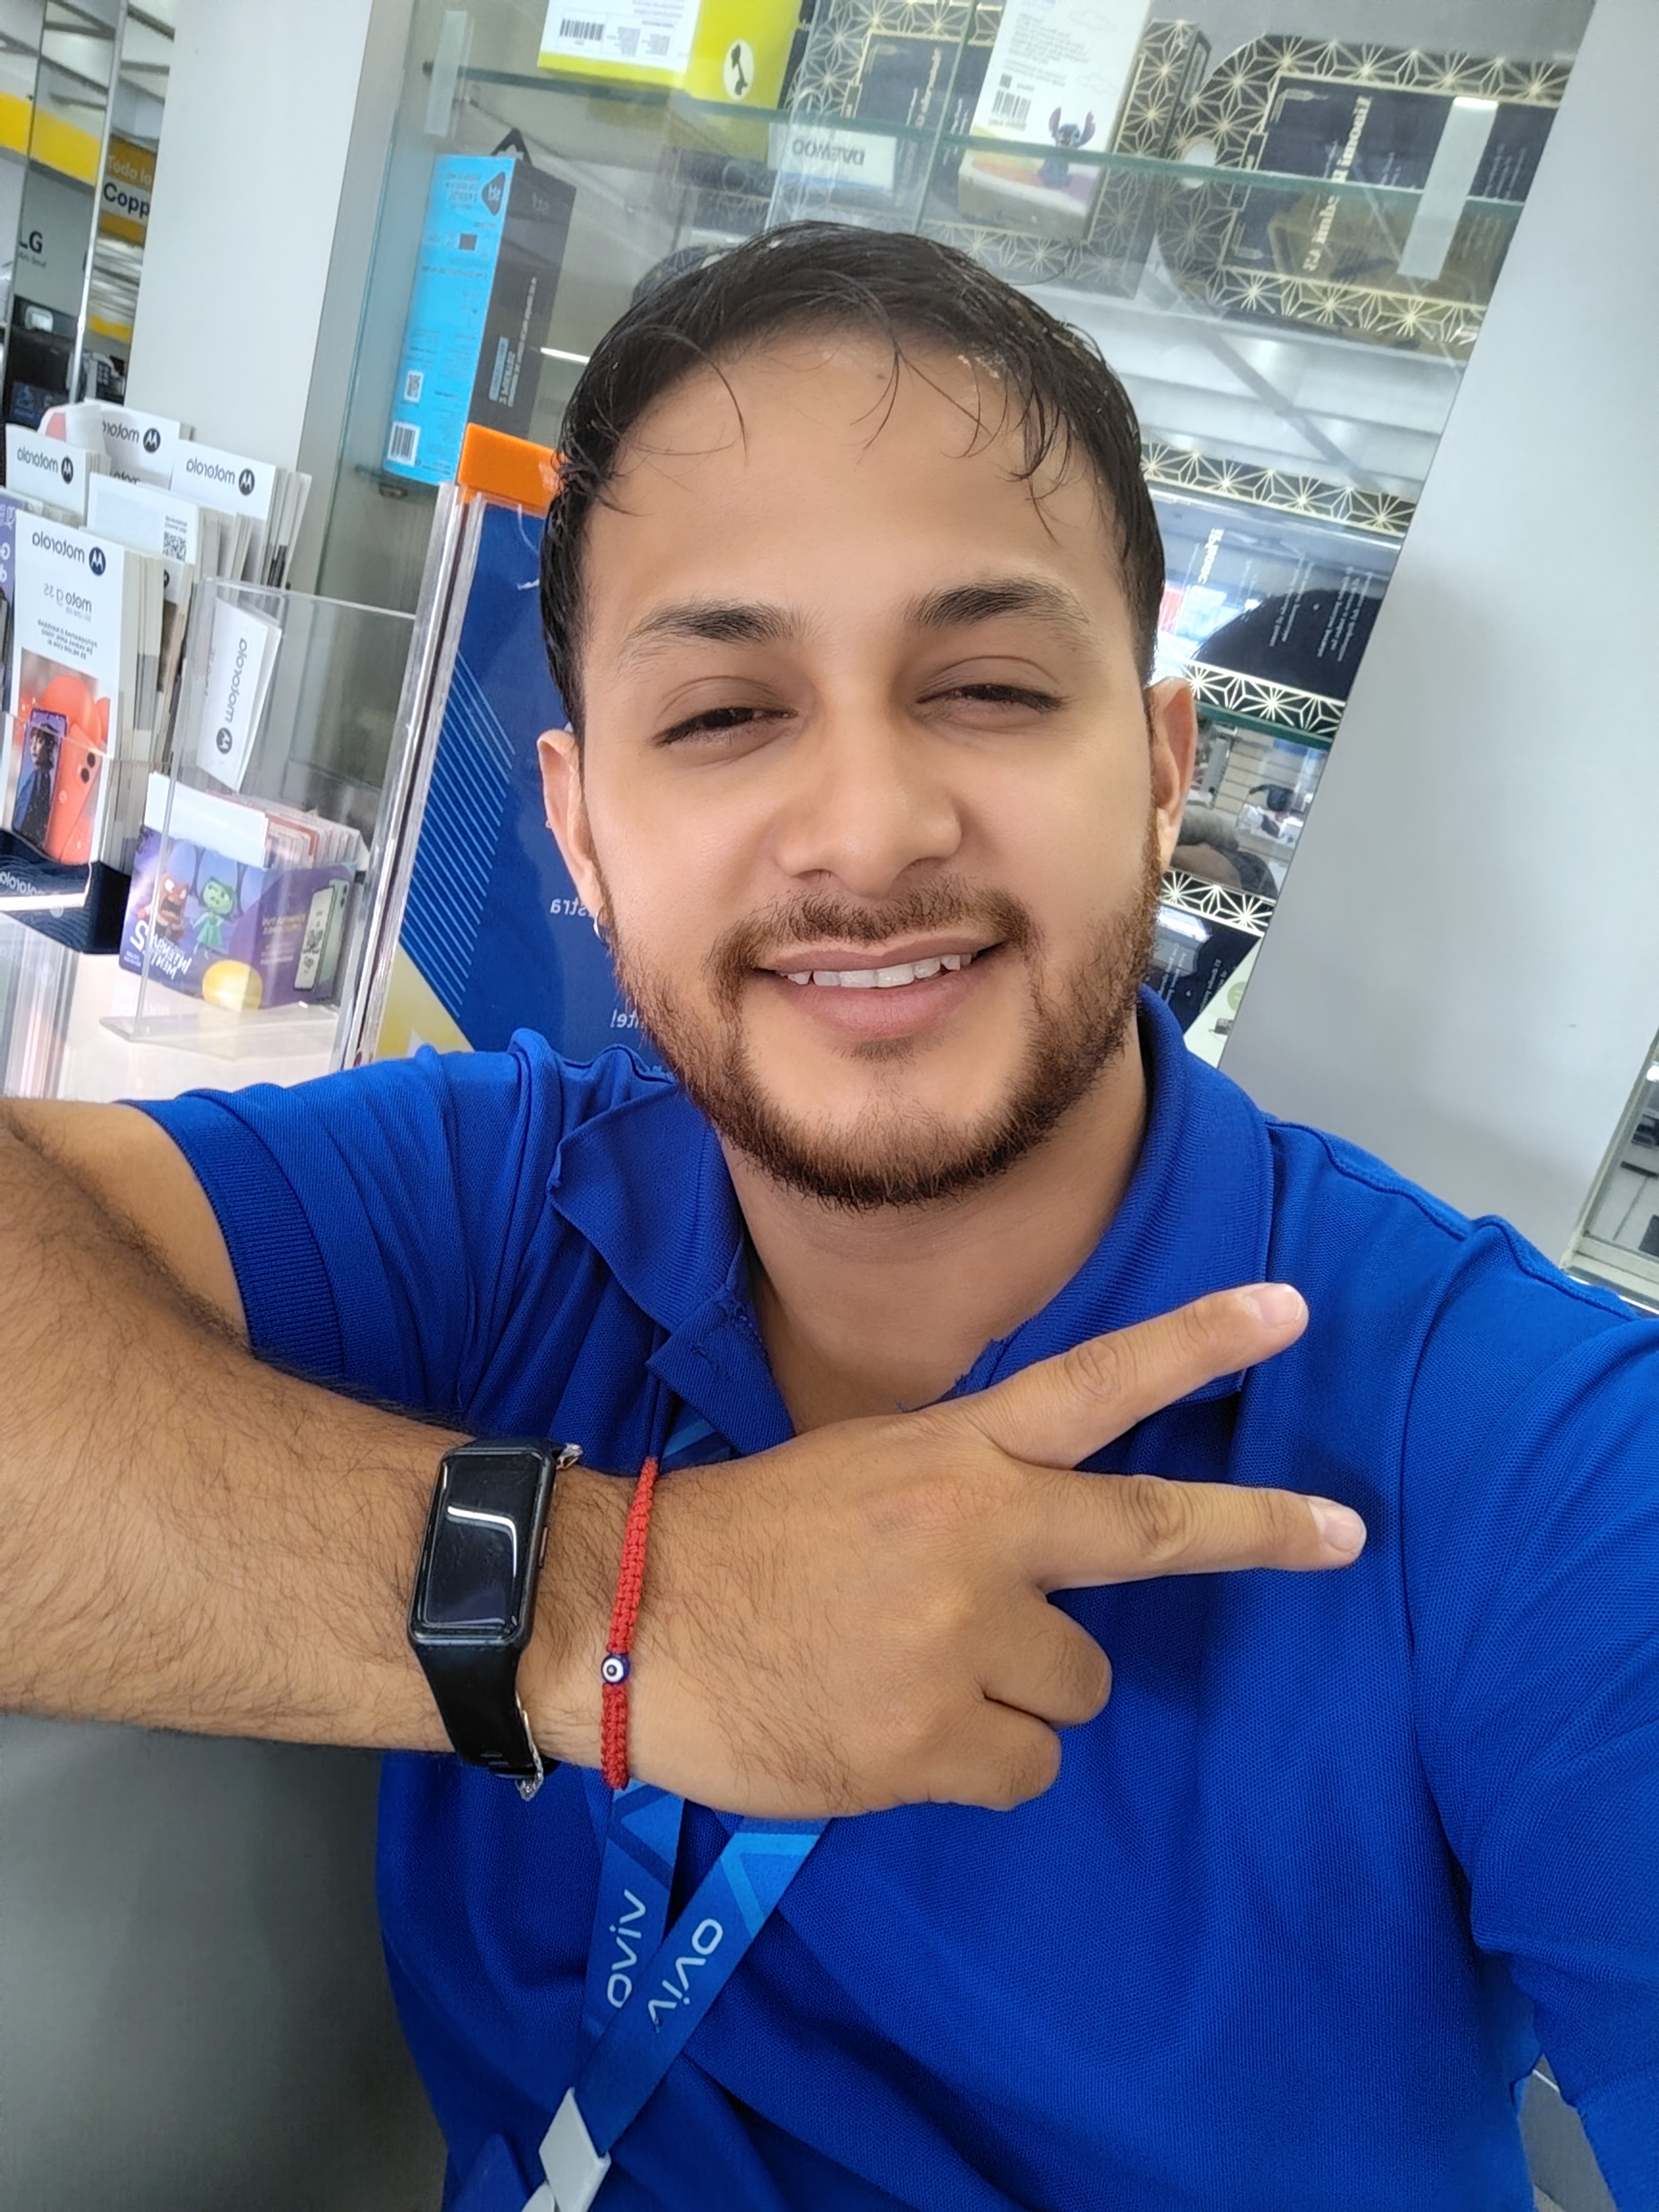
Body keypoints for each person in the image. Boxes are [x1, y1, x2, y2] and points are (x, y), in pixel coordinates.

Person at [0, 222, 1652, 2212]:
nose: (870, 829)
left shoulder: (1541, 1465)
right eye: (722, 715)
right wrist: (624, 1614)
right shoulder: (511, 1205)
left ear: (1161, 775)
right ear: (582, 831)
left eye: (989, 686)